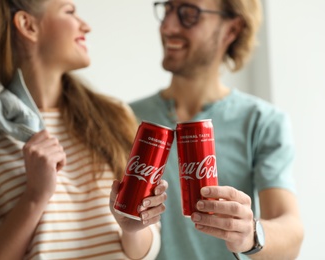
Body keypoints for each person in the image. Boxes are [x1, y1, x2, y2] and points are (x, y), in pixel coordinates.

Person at [0, 0, 167, 259]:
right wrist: (35, 197)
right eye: (69, 11)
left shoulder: (115, 116)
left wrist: (132, 228)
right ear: (28, 25)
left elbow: (146, 247)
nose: (86, 26)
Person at [130, 0, 304, 259]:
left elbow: (291, 234)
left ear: (232, 30)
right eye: (167, 9)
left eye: (188, 13)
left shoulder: (262, 121)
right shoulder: (124, 118)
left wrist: (250, 233)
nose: (167, 26)